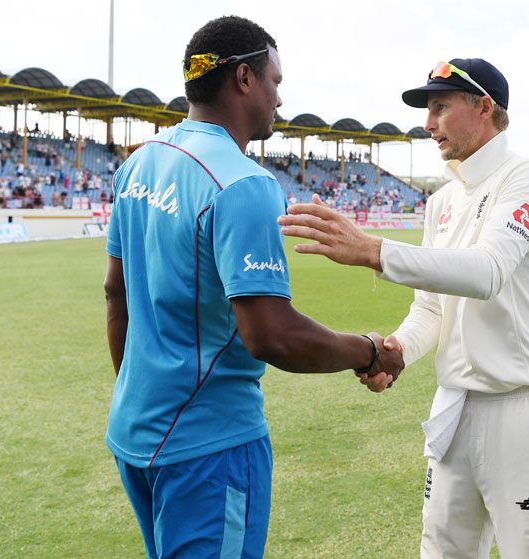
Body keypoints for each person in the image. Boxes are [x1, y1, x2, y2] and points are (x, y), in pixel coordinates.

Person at [103, 16, 403, 559]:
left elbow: (113, 293)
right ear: (244, 79)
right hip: (208, 446)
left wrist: (146, 397)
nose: (279, 100)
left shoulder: (140, 162)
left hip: (137, 431)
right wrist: (370, 350)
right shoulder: (242, 182)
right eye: (276, 83)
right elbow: (272, 335)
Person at [278, 58, 529, 558]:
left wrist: (375, 251)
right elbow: (432, 309)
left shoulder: (526, 180)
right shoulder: (441, 202)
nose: (428, 123)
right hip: (458, 409)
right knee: (441, 551)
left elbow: (487, 272)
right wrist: (396, 350)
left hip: (528, 410)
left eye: (440, 107)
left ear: (484, 107)